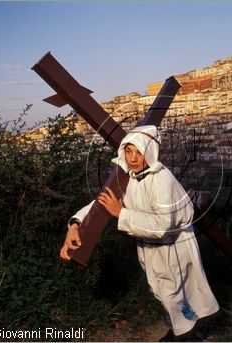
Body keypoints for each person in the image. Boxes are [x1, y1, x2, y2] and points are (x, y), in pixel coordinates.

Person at [60, 125, 219, 341]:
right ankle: (179, 330)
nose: (133, 158)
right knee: (161, 292)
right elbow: (101, 202)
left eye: (139, 152)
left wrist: (121, 213)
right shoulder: (127, 176)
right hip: (150, 246)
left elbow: (163, 225)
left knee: (174, 294)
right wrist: (76, 225)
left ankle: (183, 335)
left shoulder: (163, 180)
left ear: (150, 152)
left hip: (174, 247)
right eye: (129, 151)